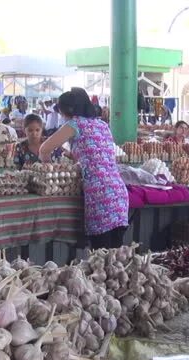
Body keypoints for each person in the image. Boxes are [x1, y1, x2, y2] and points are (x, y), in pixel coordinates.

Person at [40, 88, 129, 249]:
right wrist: (69, 155)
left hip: (100, 195)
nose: (61, 117)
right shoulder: (102, 124)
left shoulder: (74, 124)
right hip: (119, 194)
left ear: (68, 111)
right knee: (116, 260)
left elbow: (44, 149)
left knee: (102, 261)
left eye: (61, 113)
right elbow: (92, 156)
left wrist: (48, 170)